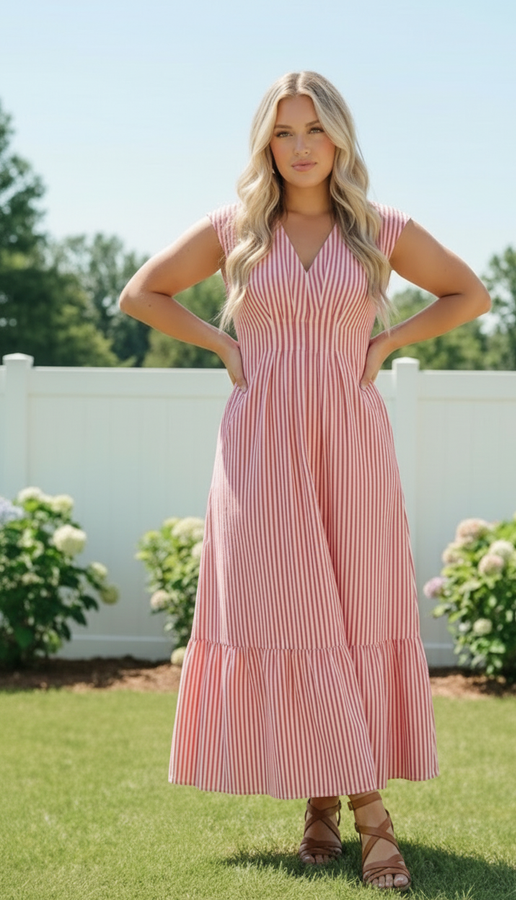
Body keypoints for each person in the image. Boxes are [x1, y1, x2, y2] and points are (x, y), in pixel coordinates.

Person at [120, 70, 491, 892]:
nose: (300, 148)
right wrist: (224, 346)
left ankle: (322, 808)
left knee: (353, 610)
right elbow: (141, 292)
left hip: (352, 442)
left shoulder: (382, 230)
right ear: (267, 145)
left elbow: (471, 293)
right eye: (284, 134)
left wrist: (387, 346)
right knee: (294, 605)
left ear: (340, 139)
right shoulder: (236, 227)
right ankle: (372, 819)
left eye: (314, 131)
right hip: (260, 443)